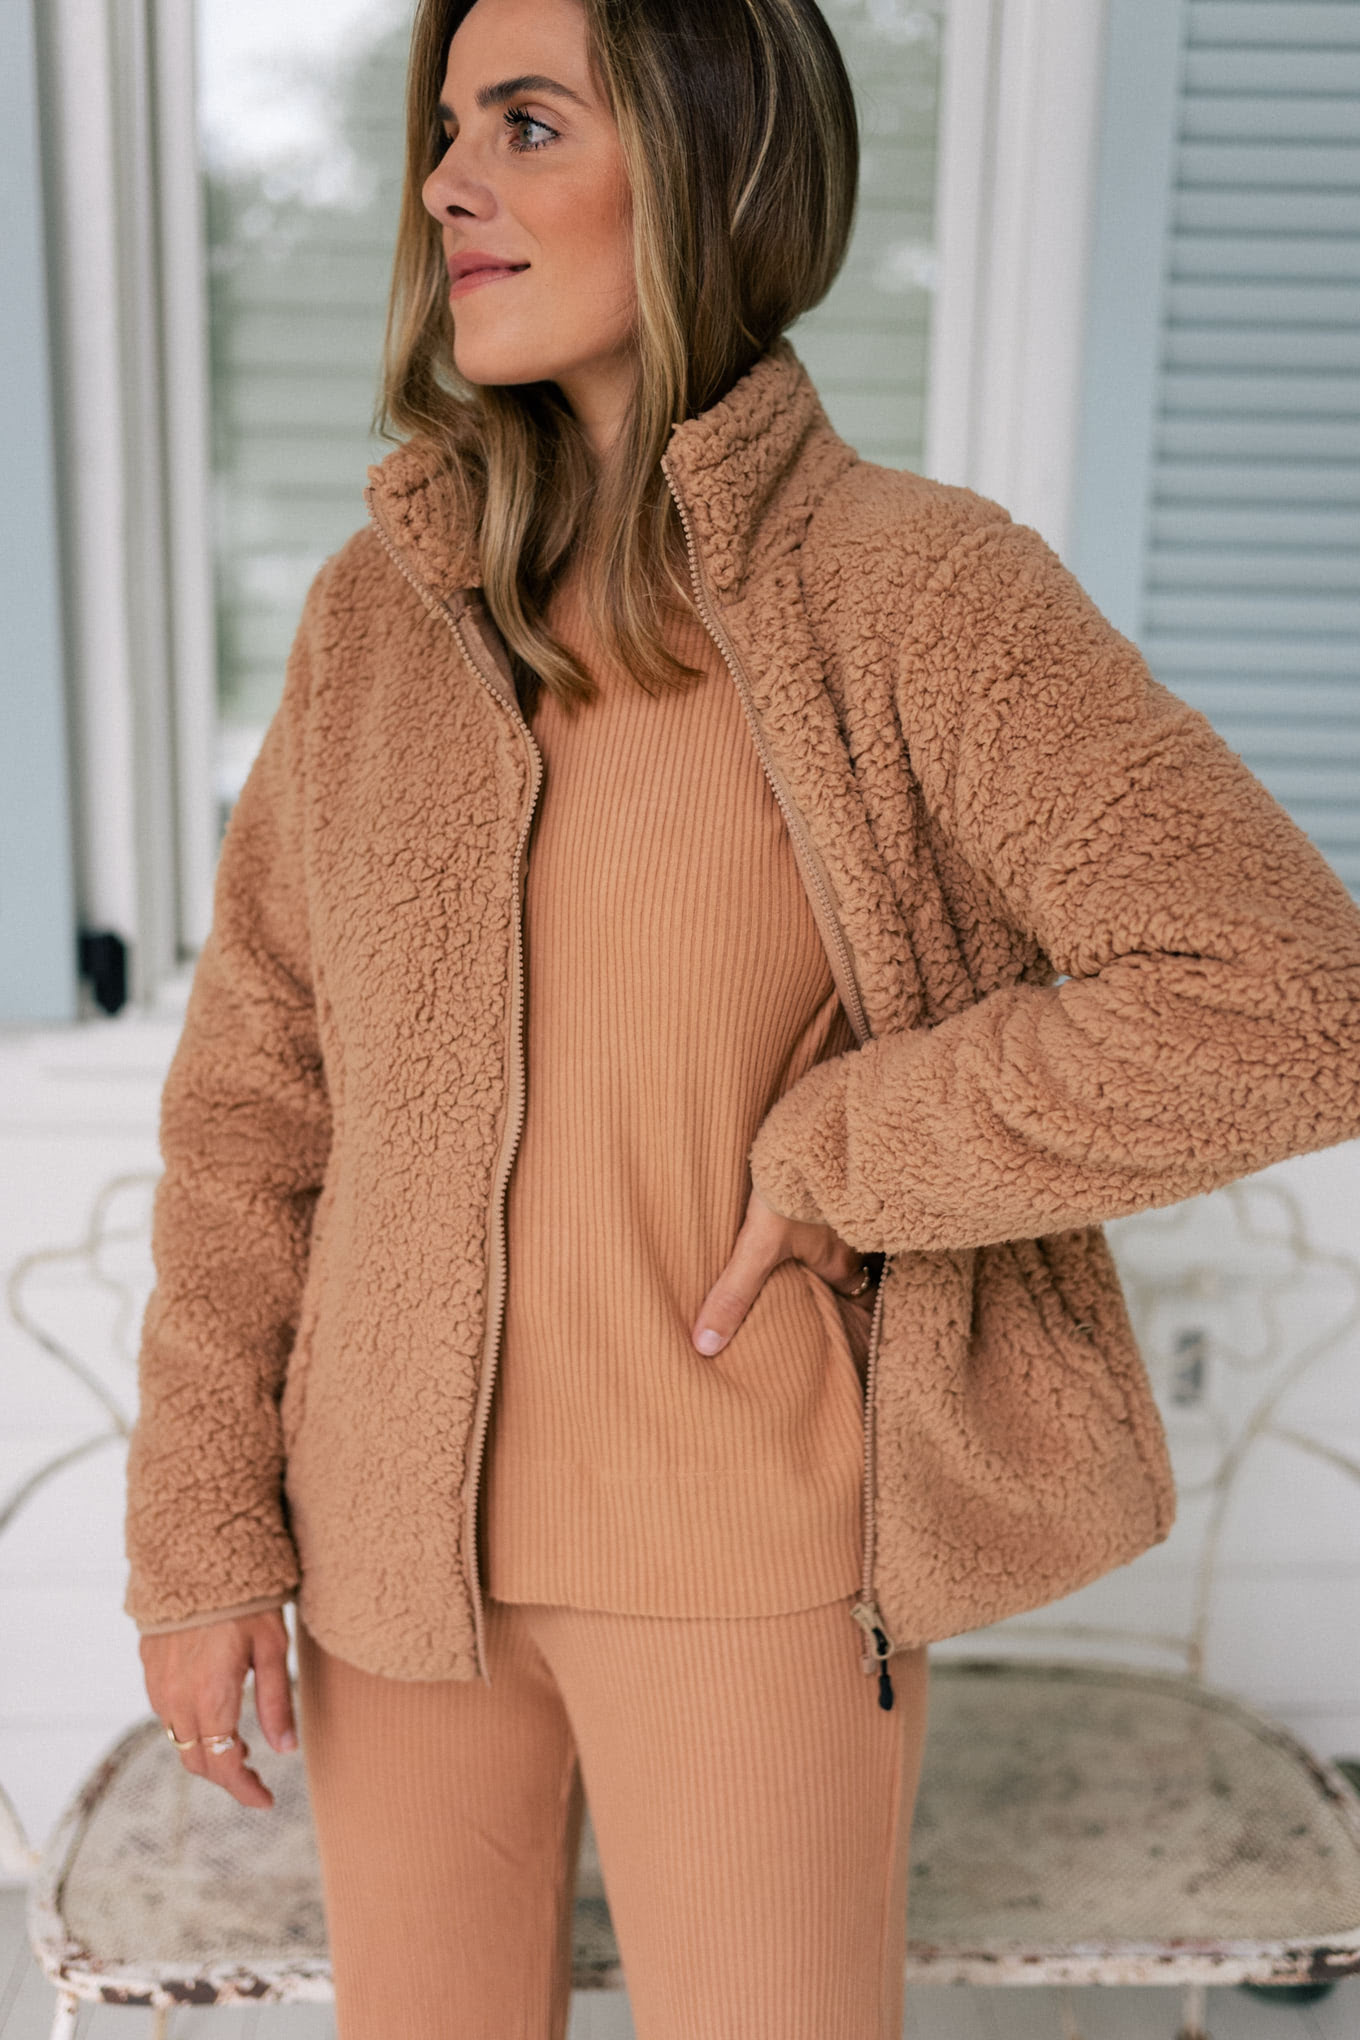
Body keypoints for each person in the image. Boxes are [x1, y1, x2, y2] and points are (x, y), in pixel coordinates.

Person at [126, 0, 1360, 2034]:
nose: (448, 184)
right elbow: (254, 1103)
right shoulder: (379, 616)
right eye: (449, 126)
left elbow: (1290, 1000)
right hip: (383, 1574)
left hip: (750, 1553)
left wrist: (844, 1155)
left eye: (529, 124)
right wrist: (199, 1539)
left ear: (710, 164)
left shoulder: (917, 593)